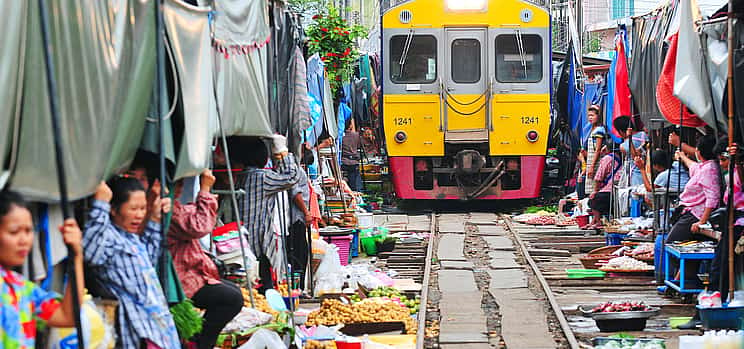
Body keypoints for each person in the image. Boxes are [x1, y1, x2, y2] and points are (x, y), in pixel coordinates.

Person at [83, 178, 180, 349]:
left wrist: (156, 218)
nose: (140, 215)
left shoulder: (130, 238)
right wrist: (100, 205)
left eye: (143, 208)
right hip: (138, 332)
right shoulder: (107, 237)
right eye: (133, 209)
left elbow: (148, 262)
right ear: (113, 210)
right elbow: (89, 253)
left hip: (159, 329)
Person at [168, 169, 243, 349]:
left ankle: (200, 339)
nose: (179, 189)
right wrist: (205, 190)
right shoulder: (166, 209)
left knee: (232, 291)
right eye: (176, 184)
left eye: (180, 184)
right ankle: (200, 343)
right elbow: (200, 226)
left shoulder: (173, 207)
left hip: (190, 272)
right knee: (231, 298)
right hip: (179, 278)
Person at [0, 190, 85, 349]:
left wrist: (76, 257)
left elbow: (68, 317)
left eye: (28, 231)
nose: (24, 240)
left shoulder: (21, 288)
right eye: (14, 232)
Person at [233, 136, 301, 292]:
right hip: (258, 243)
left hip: (239, 243)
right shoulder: (261, 177)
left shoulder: (239, 177)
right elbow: (292, 177)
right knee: (263, 286)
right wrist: (282, 152)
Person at [667, 135, 722, 243]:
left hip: (695, 215)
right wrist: (682, 156)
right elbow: (693, 166)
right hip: (690, 212)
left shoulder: (709, 169)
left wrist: (702, 221)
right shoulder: (705, 166)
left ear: (699, 152)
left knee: (671, 244)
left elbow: (713, 198)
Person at [288, 156, 312, 290]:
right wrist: (306, 212)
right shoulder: (293, 170)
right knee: (299, 255)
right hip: (295, 218)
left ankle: (299, 287)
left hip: (297, 218)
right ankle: (297, 288)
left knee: (300, 254)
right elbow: (295, 192)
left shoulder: (295, 169)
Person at [588, 145, 623, 228]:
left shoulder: (607, 158)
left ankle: (598, 222)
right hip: (618, 190)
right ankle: (594, 221)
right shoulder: (620, 157)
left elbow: (599, 177)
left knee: (593, 199)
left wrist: (595, 191)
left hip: (609, 191)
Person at [580, 105, 606, 198]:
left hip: (595, 163)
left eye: (593, 115)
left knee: (594, 187)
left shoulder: (599, 130)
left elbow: (598, 149)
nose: (590, 118)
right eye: (589, 116)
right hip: (590, 162)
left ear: (598, 116)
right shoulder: (591, 129)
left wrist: (591, 166)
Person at [341, 119, 363, 192]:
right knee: (354, 183)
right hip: (354, 162)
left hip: (343, 161)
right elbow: (359, 146)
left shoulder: (340, 136)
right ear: (350, 125)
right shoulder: (356, 135)